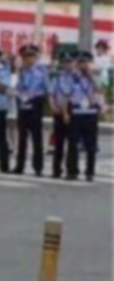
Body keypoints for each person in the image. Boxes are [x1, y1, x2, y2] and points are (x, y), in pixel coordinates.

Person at [66, 51, 103, 183]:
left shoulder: (95, 76)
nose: (83, 65)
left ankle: (90, 172)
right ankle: (72, 170)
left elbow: (99, 89)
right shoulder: (72, 77)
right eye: (81, 62)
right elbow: (67, 93)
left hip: (90, 113)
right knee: (73, 143)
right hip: (76, 113)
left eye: (86, 62)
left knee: (90, 145)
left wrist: (90, 76)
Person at [13, 44, 50, 176]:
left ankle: (38, 167)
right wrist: (19, 95)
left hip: (35, 103)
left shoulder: (41, 72)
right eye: (26, 57)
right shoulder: (20, 72)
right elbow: (15, 87)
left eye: (31, 57)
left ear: (35, 58)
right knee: (22, 137)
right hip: (22, 104)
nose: (29, 60)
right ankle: (19, 165)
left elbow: (47, 89)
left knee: (36, 137)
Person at [49, 53, 76, 179]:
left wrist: (66, 112)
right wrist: (53, 107)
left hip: (72, 112)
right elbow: (51, 93)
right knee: (58, 143)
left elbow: (71, 94)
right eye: (65, 62)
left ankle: (71, 170)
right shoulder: (57, 78)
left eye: (69, 62)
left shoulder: (76, 78)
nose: (67, 64)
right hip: (58, 112)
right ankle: (56, 170)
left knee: (72, 143)